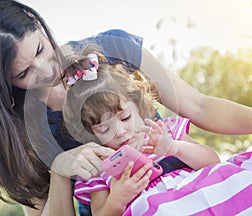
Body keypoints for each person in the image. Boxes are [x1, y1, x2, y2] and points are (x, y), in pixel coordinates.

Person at [0, 0, 252, 215]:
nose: (45, 71)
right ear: (0, 85)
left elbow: (198, 106)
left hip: (191, 190)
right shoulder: (16, 126)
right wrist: (60, 171)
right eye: (22, 74)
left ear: (37, 23)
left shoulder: (111, 51)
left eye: (41, 50)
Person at [63, 49, 220, 215]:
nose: (120, 132)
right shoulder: (99, 169)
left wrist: (175, 148)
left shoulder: (166, 131)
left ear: (138, 105)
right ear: (92, 133)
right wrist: (117, 199)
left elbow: (213, 162)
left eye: (125, 118)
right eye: (105, 129)